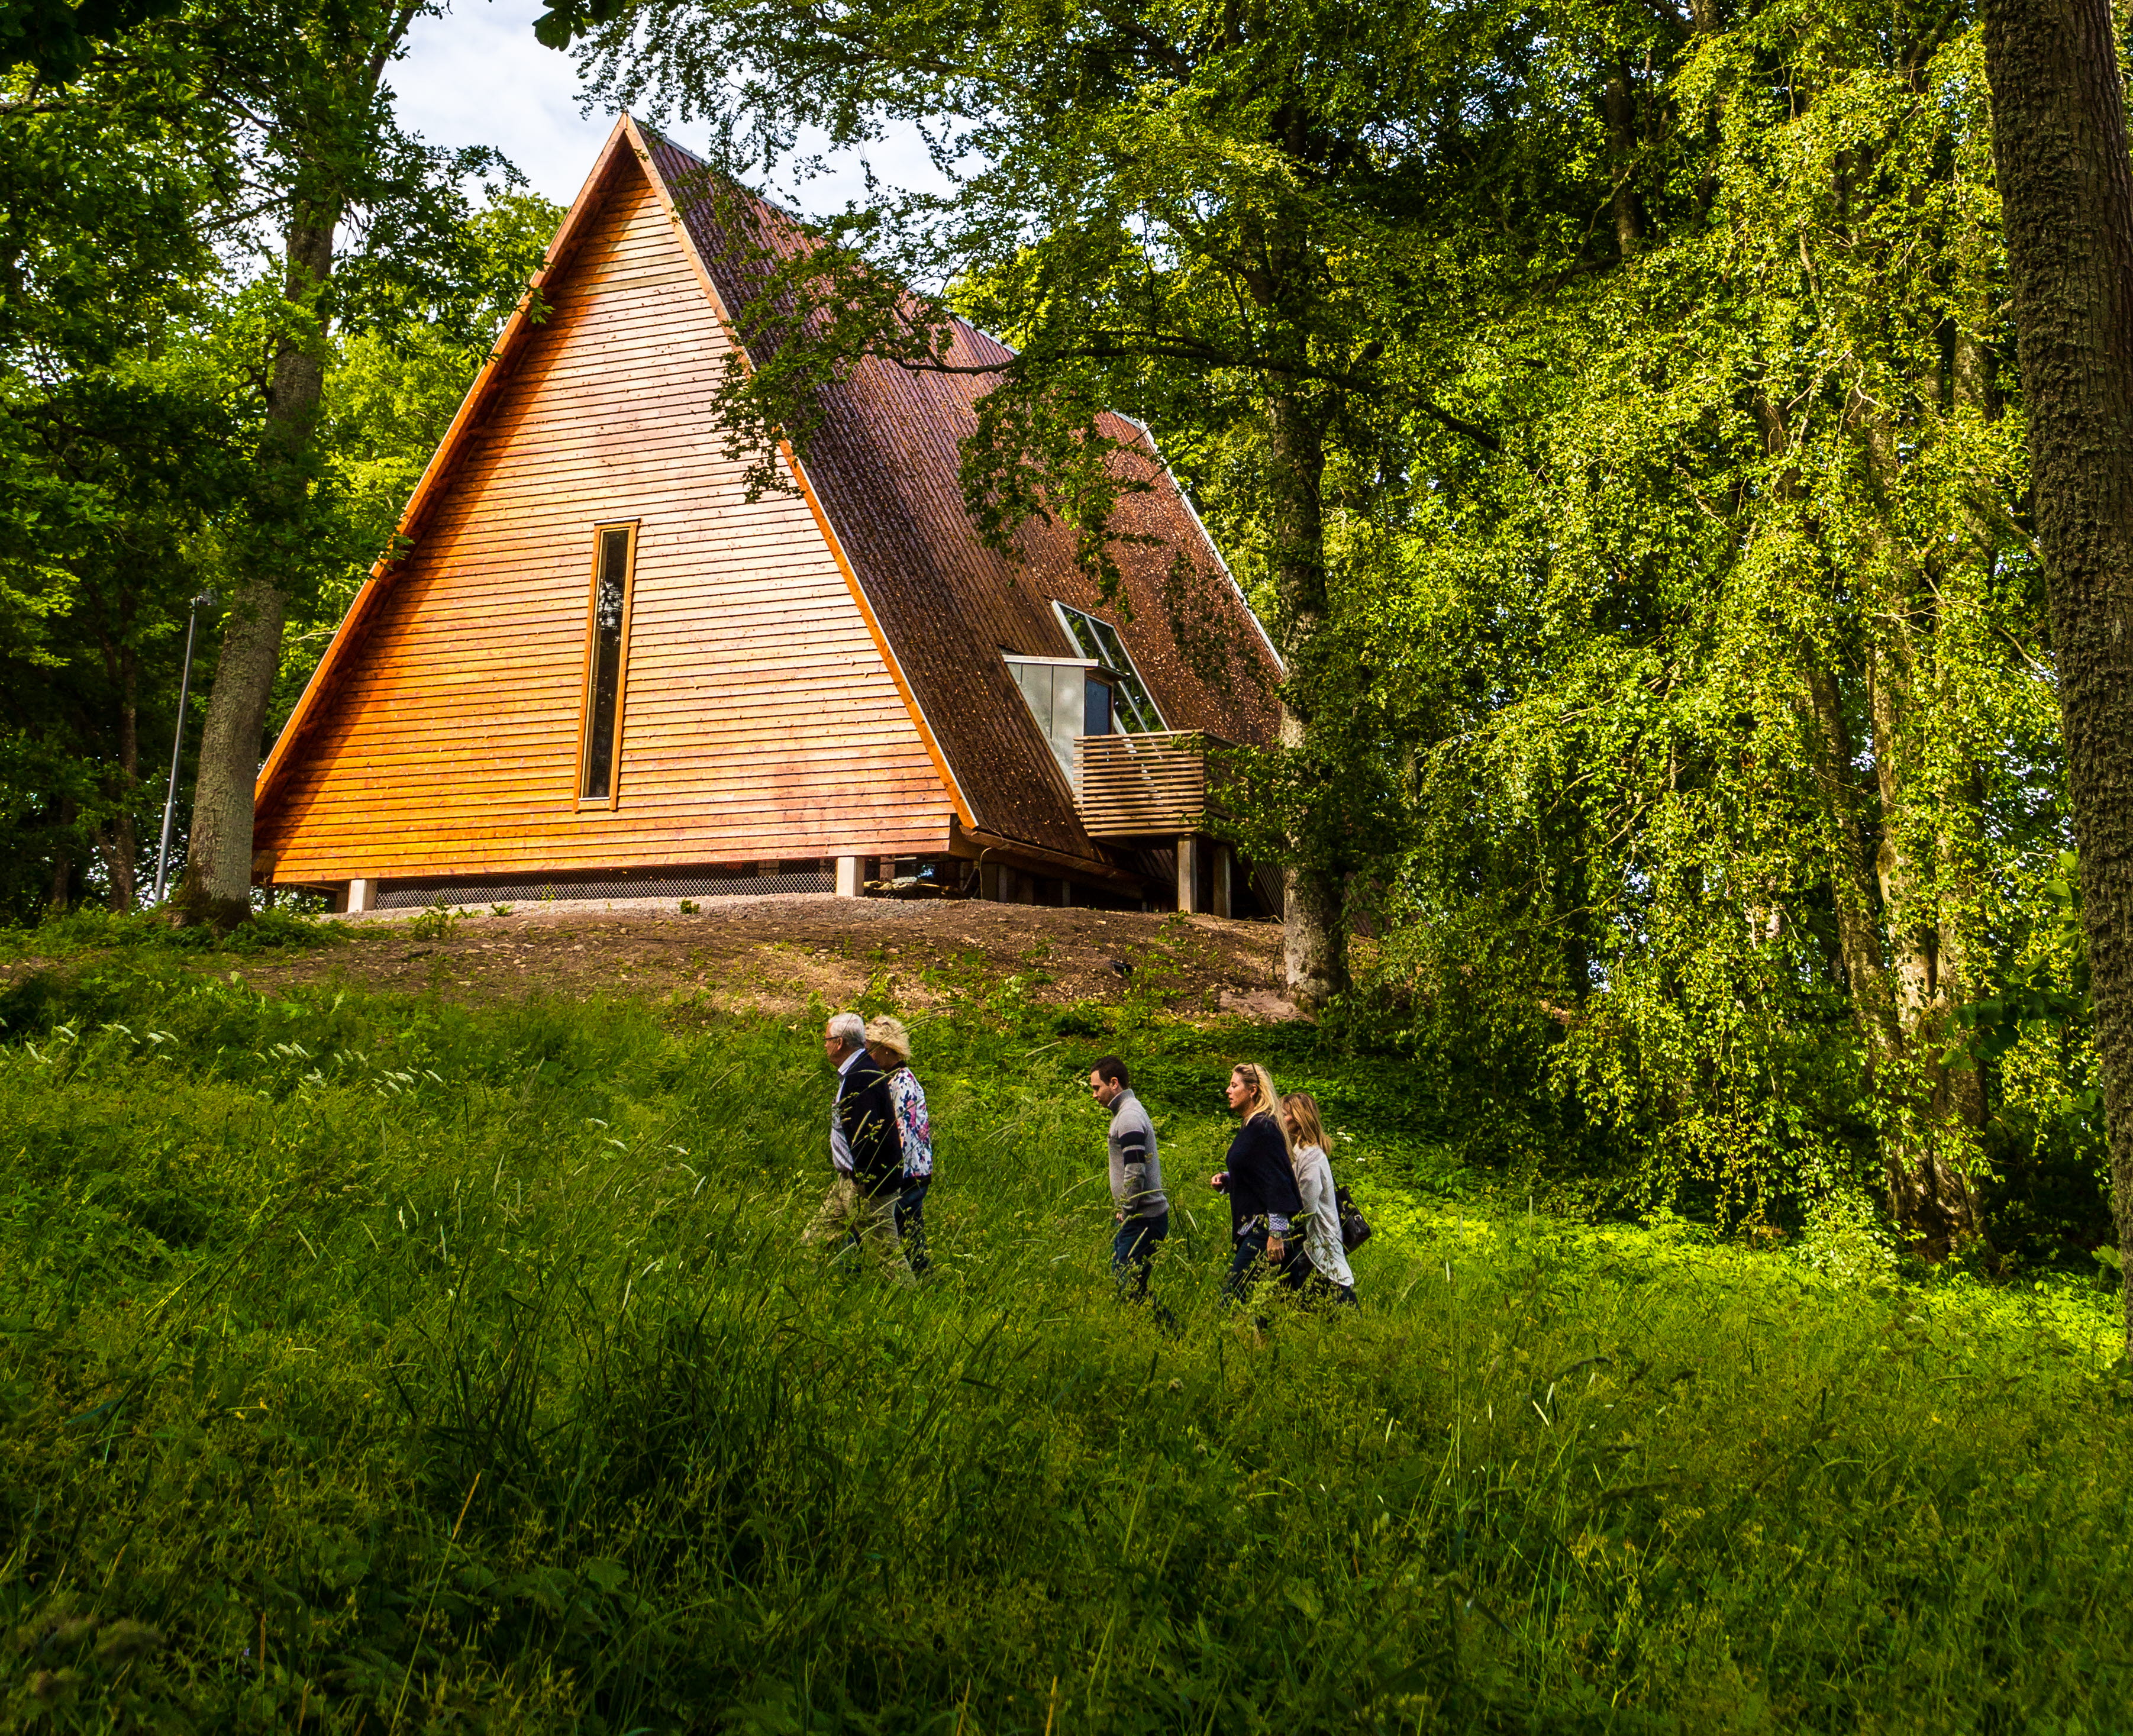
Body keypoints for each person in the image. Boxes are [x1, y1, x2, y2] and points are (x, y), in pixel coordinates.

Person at [801, 1011, 915, 1285]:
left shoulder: (861, 1077)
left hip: (867, 1186)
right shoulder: (857, 1071)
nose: (825, 1045)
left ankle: (913, 1304)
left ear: (840, 1043)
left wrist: (865, 1182)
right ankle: (803, 1289)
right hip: (848, 1181)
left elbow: (869, 1135)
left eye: (827, 1039)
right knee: (812, 1242)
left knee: (888, 1257)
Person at [1209, 1062, 1303, 1308]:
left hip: (1263, 1231)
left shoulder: (1263, 1128)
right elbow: (1257, 1174)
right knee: (1268, 1310)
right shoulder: (1251, 1126)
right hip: (1255, 1228)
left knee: (1230, 1301)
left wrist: (1276, 1234)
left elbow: (1277, 1181)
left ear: (1252, 1090)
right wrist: (1228, 1180)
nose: (1228, 1091)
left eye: (1234, 1085)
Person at [1089, 1054, 1173, 1318]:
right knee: (1128, 1284)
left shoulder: (1129, 1117)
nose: (1094, 1095)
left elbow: (1135, 1170)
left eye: (1096, 1088)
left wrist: (1126, 1209)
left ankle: (1172, 1334)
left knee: (1129, 1287)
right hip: (1139, 1216)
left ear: (1114, 1083)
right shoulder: (1128, 1112)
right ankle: (1148, 1334)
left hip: (1143, 1218)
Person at [866, 1014, 934, 1276]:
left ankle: (912, 1282)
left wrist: (887, 1172)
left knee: (893, 1231)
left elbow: (903, 1133)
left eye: (872, 1047)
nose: (868, 1054)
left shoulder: (902, 1083)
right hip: (914, 1173)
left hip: (908, 1174)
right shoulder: (893, 1079)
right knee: (911, 1232)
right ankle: (925, 1283)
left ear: (887, 1049)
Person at [1279, 1091, 1357, 1307]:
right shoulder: (1295, 1152)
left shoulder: (1311, 1156)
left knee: (1335, 1292)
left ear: (1299, 1120)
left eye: (1284, 1114)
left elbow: (1307, 1207)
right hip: (1306, 1242)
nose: (1279, 1118)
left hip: (1317, 1238)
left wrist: (1278, 1222)